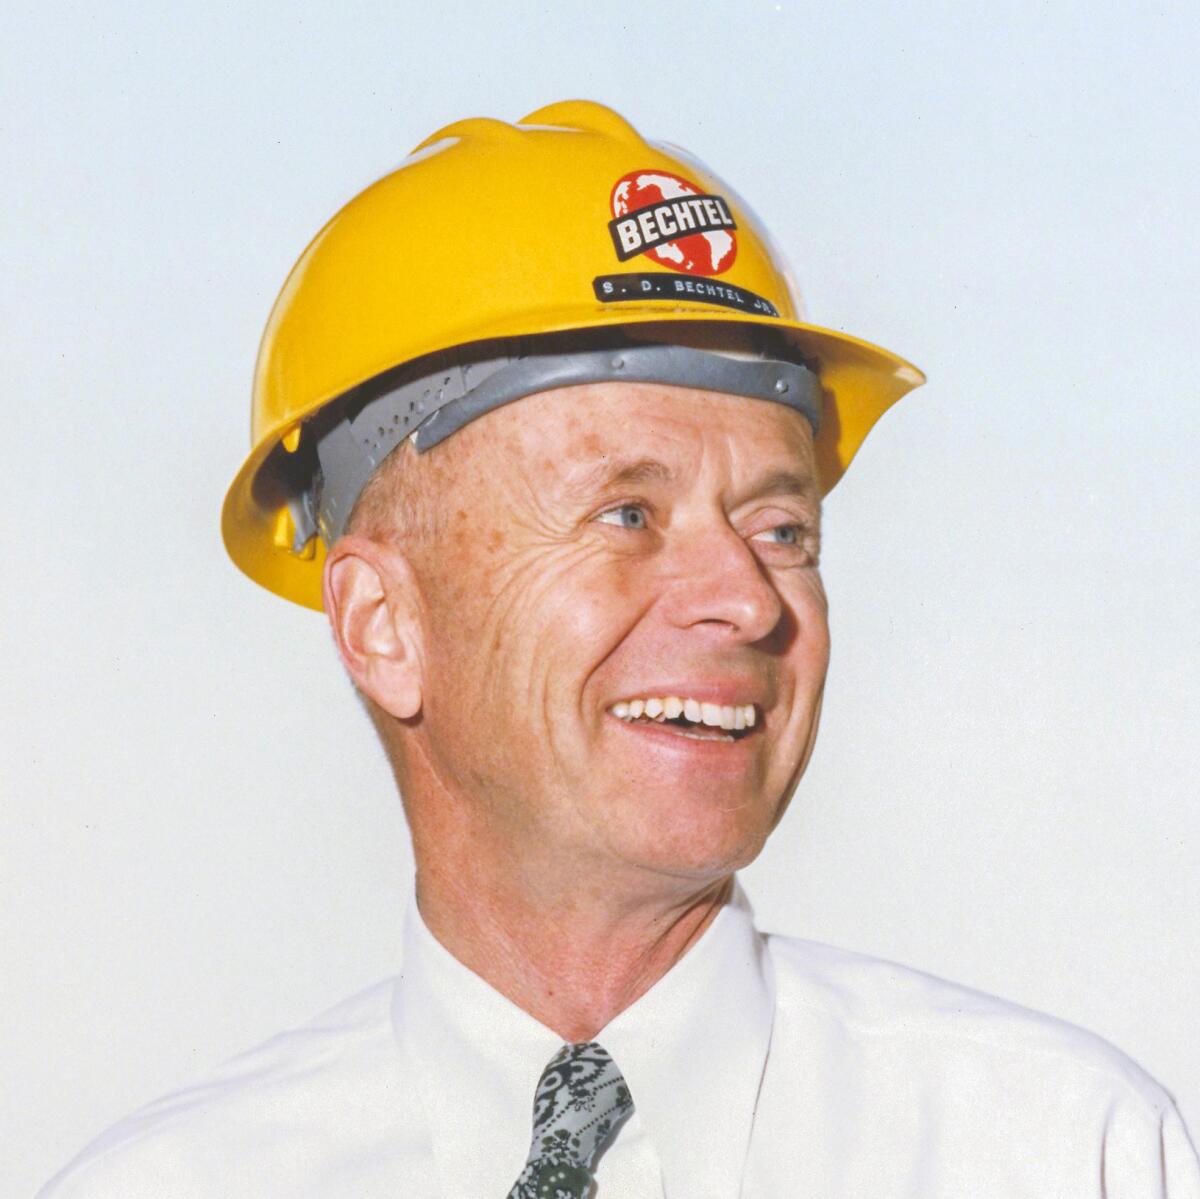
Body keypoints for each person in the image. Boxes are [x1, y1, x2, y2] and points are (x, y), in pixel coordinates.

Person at [40, 99, 1199, 1199]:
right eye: (626, 515)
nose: (746, 599)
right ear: (383, 625)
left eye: (781, 527)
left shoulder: (1058, 1150)